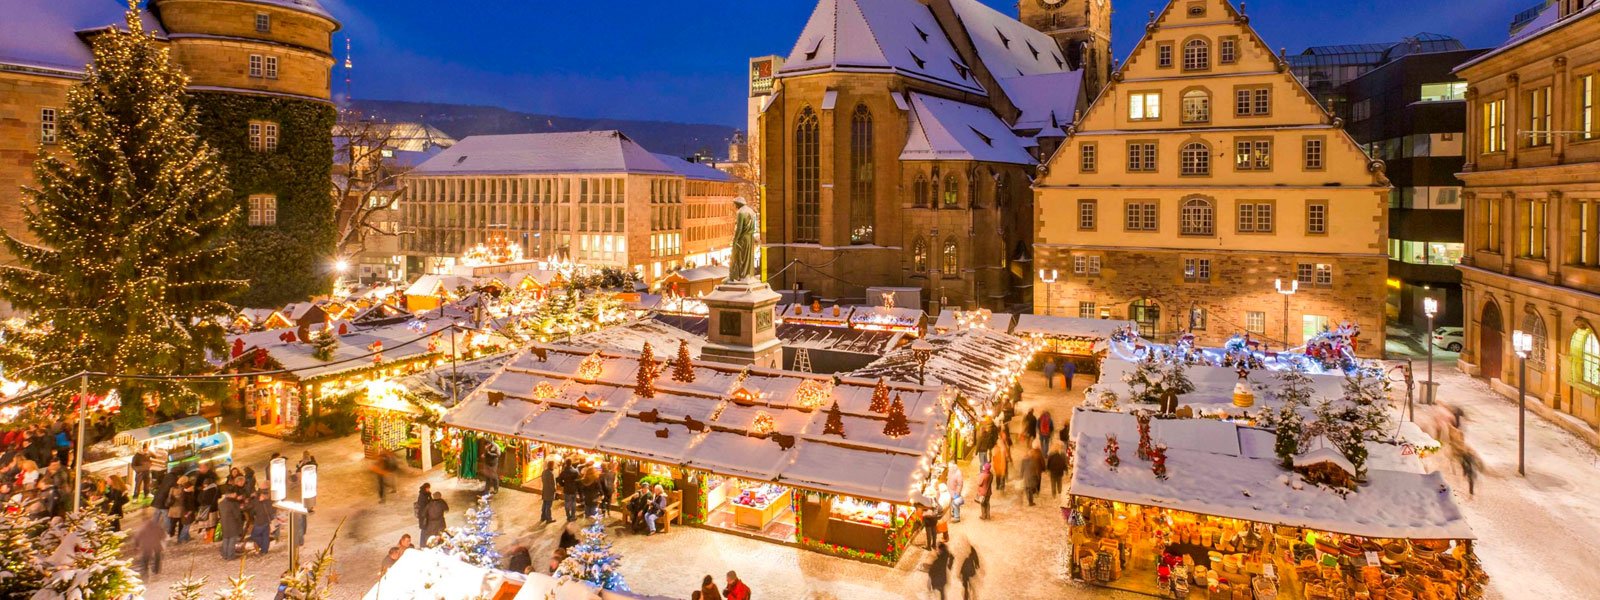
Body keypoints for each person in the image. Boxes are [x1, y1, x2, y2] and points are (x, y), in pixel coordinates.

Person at [218, 486, 244, 560]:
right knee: (232, 540)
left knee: (226, 539)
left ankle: (224, 554)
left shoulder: (221, 503)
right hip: (232, 524)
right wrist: (240, 508)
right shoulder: (232, 503)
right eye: (235, 494)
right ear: (231, 494)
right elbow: (236, 514)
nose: (236, 495)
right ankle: (230, 556)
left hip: (224, 523)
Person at [250, 489, 275, 555]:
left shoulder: (258, 503)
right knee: (265, 536)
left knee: (254, 535)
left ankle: (263, 546)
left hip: (260, 522)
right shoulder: (269, 501)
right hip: (267, 521)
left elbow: (253, 511)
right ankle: (264, 550)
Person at [1020, 440, 1042, 507]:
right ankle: (1030, 501)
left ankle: (1030, 501)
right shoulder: (1034, 460)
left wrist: (1021, 475)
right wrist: (1038, 477)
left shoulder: (1024, 460)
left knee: (1027, 489)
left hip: (1027, 476)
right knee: (1031, 488)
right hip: (1033, 476)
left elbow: (1022, 468)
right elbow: (1037, 469)